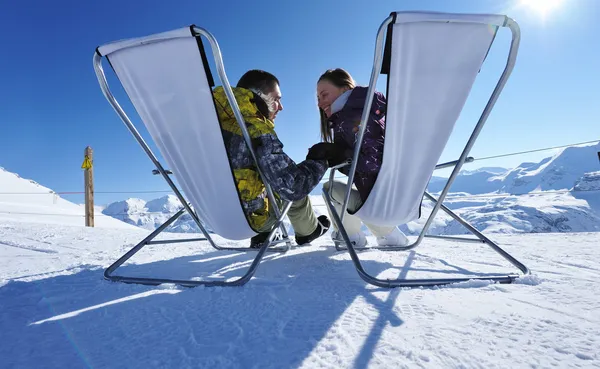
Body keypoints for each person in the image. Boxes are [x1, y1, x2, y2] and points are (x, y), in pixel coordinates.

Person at [212, 69, 335, 248]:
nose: (281, 106)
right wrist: (319, 160)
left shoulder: (209, 124)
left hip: (214, 216)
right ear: (259, 97)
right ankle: (308, 232)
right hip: (252, 219)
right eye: (276, 99)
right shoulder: (256, 129)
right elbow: (293, 186)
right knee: (293, 178)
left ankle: (266, 236)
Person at [308, 68, 409, 247]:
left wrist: (341, 156)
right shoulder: (367, 110)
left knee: (330, 188)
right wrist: (342, 157)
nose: (320, 103)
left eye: (324, 95)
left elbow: (373, 164)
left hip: (380, 202)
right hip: (397, 194)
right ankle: (381, 234)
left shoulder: (353, 117)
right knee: (334, 187)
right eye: (318, 98)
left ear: (345, 89)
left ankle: (363, 236)